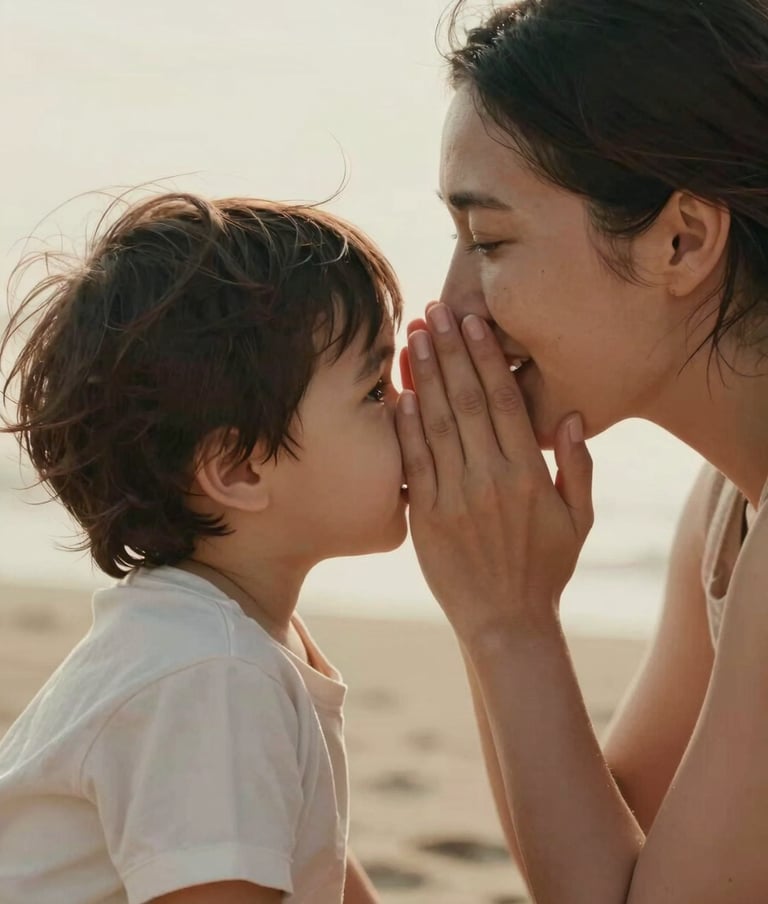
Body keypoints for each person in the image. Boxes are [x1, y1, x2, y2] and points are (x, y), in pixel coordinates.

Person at [396, 1, 768, 902]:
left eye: (490, 241)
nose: (452, 307)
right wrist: (495, 604)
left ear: (681, 239)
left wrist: (509, 620)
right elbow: (620, 840)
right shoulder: (728, 504)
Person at [0, 192, 405, 903]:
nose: (410, 408)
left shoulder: (224, 634)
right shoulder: (212, 673)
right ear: (240, 470)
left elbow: (318, 855)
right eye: (375, 389)